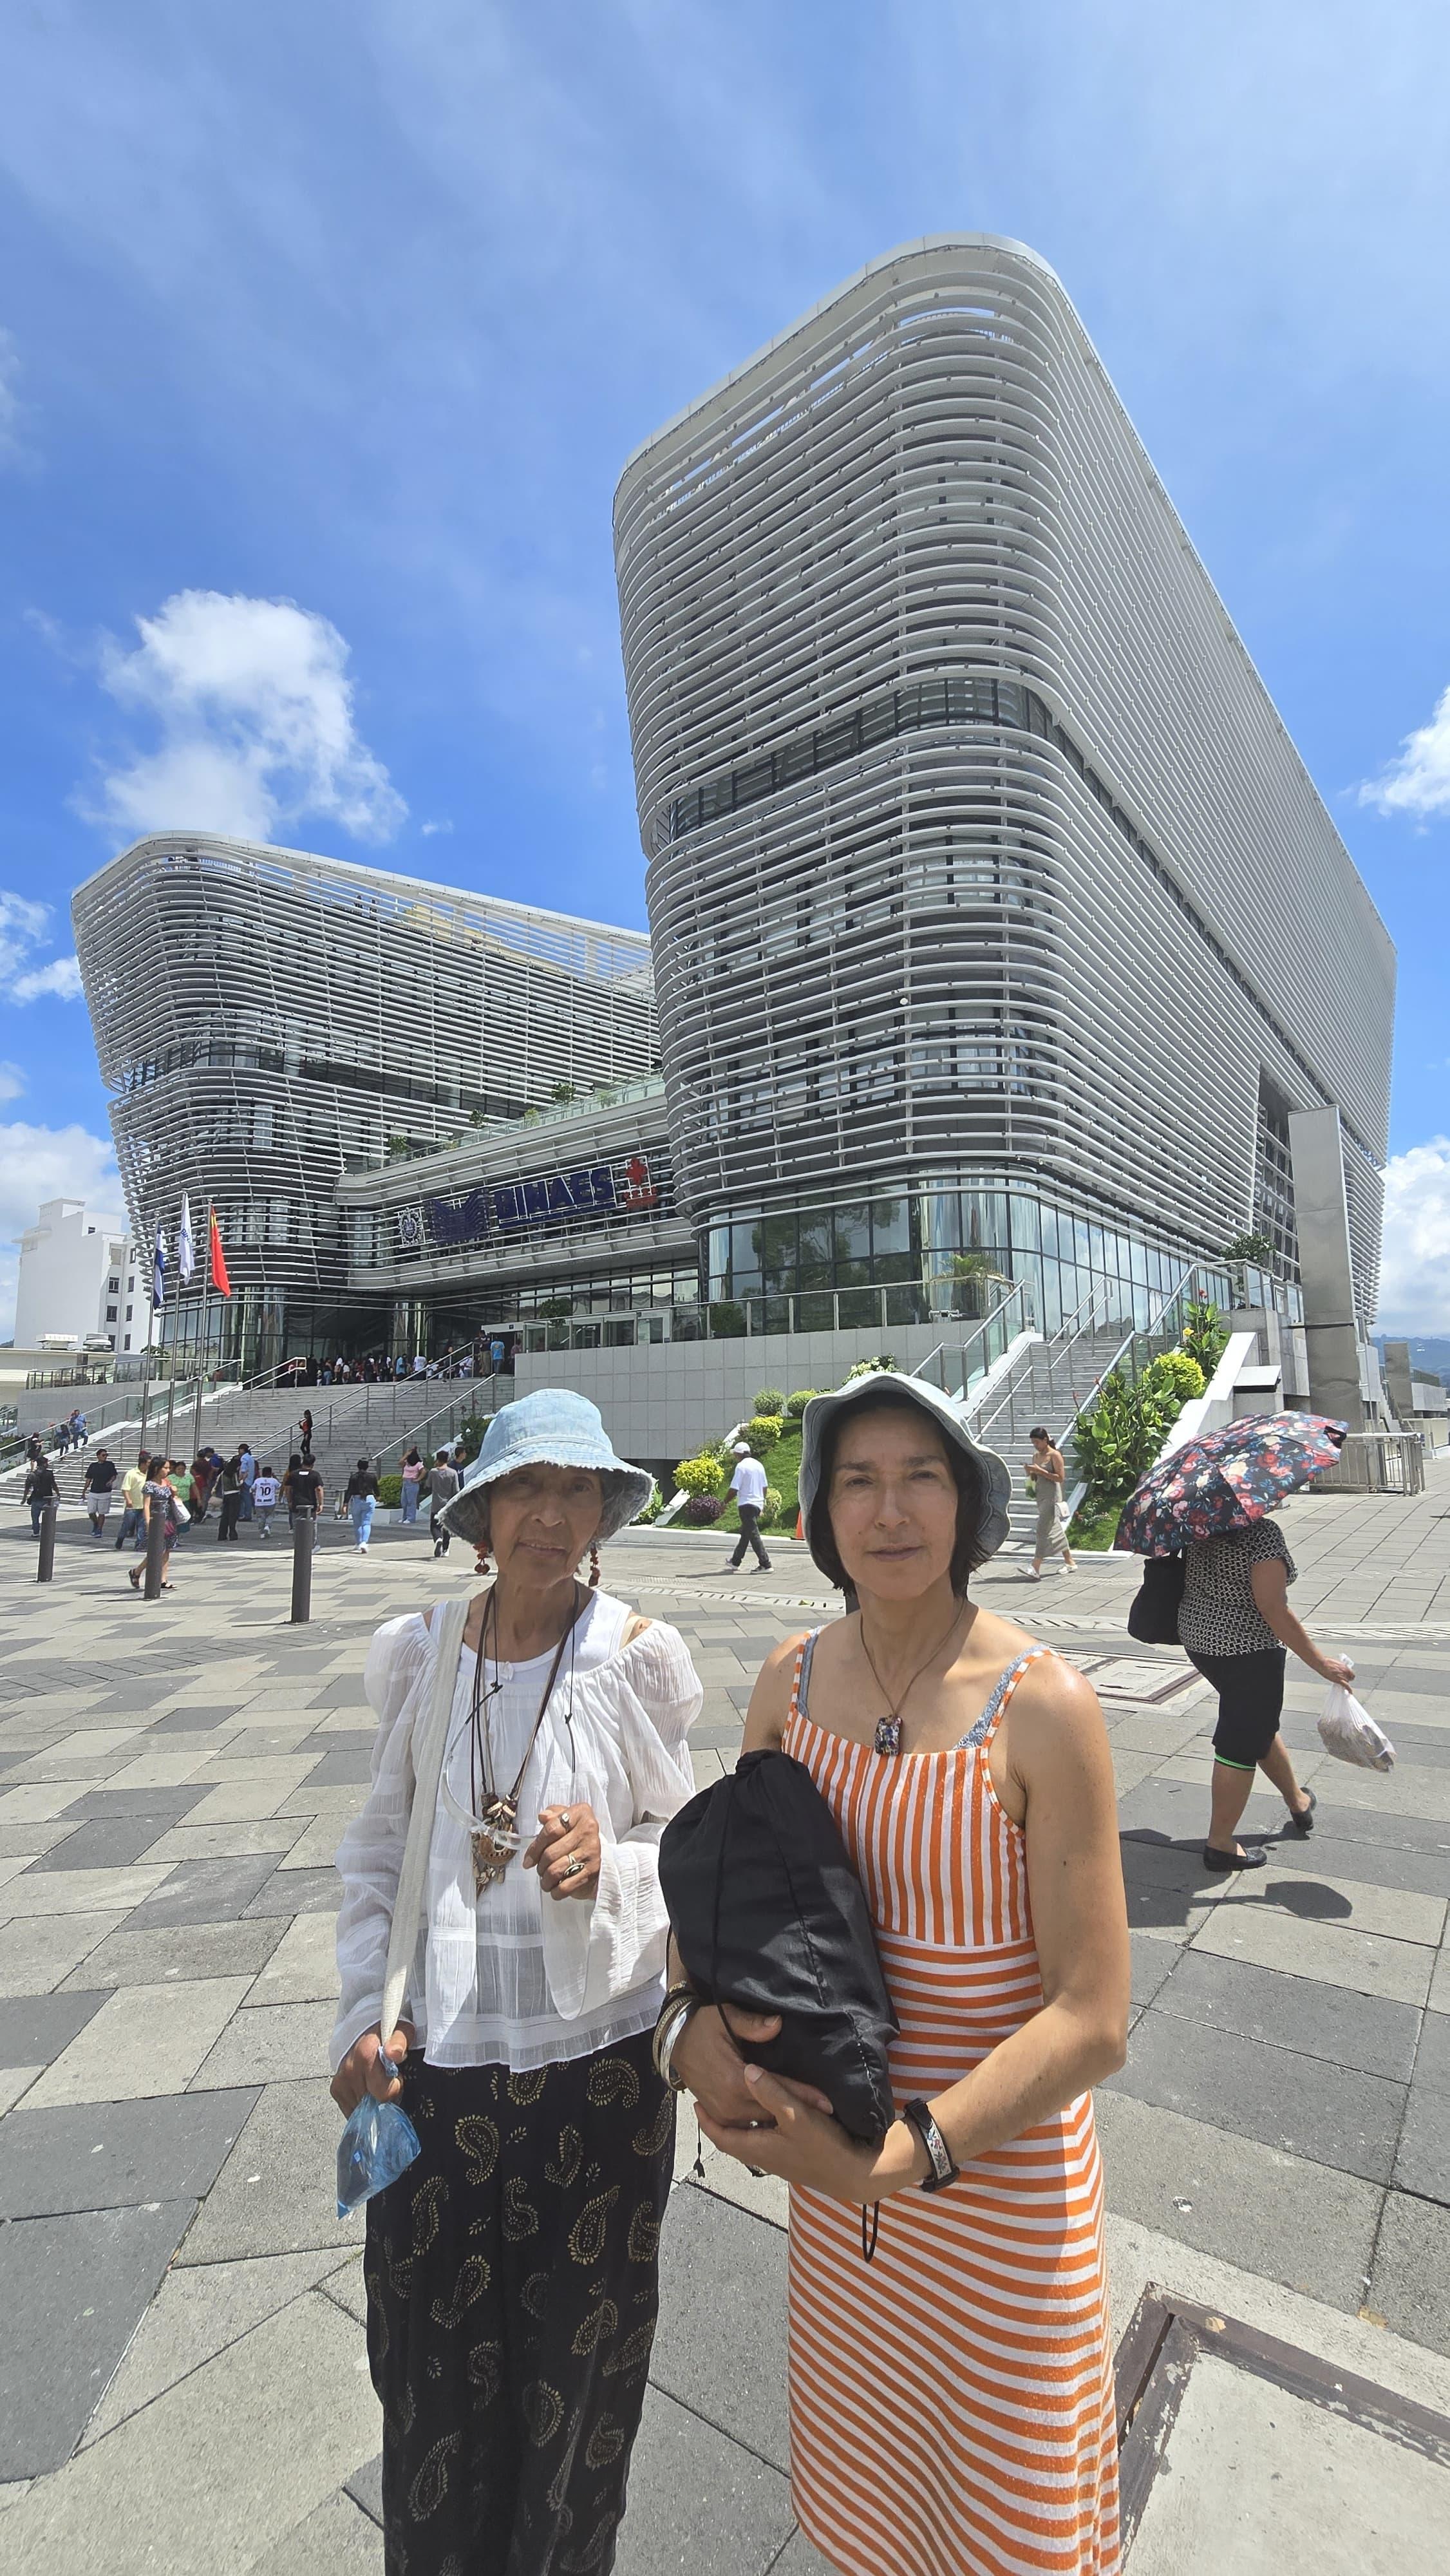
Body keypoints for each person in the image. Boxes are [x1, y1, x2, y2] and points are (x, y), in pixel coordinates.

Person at [670, 1374, 1129, 2576]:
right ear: (820, 1513)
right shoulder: (788, 1681)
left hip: (996, 2201)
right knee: (870, 2511)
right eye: (857, 1481)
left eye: (921, 1476)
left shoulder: (1045, 1707)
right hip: (840, 2201)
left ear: (968, 1503)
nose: (889, 1510)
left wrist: (906, 2155)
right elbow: (736, 1900)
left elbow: (1093, 2018)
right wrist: (693, 2028)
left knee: (1005, 2526)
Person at [330, 1389, 702, 2576]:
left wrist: (618, 1865)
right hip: (433, 2070)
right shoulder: (420, 1652)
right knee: (428, 2374)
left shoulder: (633, 1659)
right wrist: (356, 2016)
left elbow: (691, 1849)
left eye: (578, 1491)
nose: (553, 1516)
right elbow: (378, 1850)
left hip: (595, 2084)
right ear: (481, 1513)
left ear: (603, 1511)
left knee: (574, 2388)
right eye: (527, 1490)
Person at [1178, 1512, 1354, 1871]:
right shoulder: (1261, 1533)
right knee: (1239, 1741)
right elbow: (1272, 1606)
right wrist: (1321, 1663)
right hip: (1248, 1649)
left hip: (1200, 1639)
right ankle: (1221, 1845)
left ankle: (1297, 1801)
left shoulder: (1202, 1523)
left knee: (1255, 1723)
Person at [1025, 1423, 1076, 1577]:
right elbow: (1036, 1476)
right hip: (1041, 1495)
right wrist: (1031, 1472)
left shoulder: (1055, 1455)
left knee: (1042, 1530)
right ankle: (1070, 1562)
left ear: (1046, 1440)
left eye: (1037, 1442)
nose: (1036, 1445)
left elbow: (1060, 1478)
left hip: (1052, 1497)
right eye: (1033, 1442)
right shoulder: (1036, 1456)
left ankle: (1036, 1566)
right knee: (1056, 1529)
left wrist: (1040, 1471)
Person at [129, 1458, 182, 1591]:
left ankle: (163, 1580)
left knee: (167, 1549)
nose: (168, 1471)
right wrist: (148, 1522)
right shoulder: (149, 1485)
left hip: (170, 1520)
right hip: (157, 1521)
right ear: (157, 1469)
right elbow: (146, 1505)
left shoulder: (167, 1482)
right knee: (156, 1551)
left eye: (169, 1468)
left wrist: (174, 1492)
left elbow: (174, 1499)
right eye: (165, 1468)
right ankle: (137, 1571)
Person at [724, 1439, 771, 1571]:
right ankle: (735, 1561)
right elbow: (765, 1486)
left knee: (753, 1535)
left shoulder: (741, 1467)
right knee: (746, 1534)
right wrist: (762, 1503)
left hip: (746, 1505)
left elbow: (734, 1489)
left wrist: (724, 1503)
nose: (735, 1457)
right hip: (756, 1504)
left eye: (735, 1455)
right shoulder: (759, 1465)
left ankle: (765, 1564)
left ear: (738, 1455)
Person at [428, 1446, 460, 1557]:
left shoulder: (433, 1472)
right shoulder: (453, 1473)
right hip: (448, 1504)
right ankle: (446, 1549)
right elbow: (456, 1490)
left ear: (438, 1460)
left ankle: (438, 1539)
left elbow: (428, 1485)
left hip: (436, 1504)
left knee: (434, 1526)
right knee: (447, 1527)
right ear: (447, 1459)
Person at [115, 1452, 151, 1551]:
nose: (150, 1465)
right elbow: (125, 1489)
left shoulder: (149, 1474)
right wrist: (128, 1501)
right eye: (148, 1463)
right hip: (133, 1505)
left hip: (144, 1505)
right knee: (127, 1525)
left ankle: (139, 1544)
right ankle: (120, 1538)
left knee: (142, 1526)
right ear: (143, 1463)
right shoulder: (131, 1473)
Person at [82, 1446, 119, 1537]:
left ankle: (99, 1529)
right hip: (94, 1491)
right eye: (103, 1455)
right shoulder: (93, 1466)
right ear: (98, 1456)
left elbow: (114, 1475)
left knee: (102, 1513)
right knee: (91, 1511)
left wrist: (110, 1481)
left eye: (106, 1455)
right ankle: (96, 1523)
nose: (105, 1457)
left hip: (105, 1492)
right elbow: (89, 1479)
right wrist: (84, 1491)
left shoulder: (109, 1465)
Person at [345, 1456, 379, 1553]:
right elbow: (376, 1489)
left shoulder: (354, 1477)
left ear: (358, 1466)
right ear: (367, 1466)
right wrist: (379, 1497)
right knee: (366, 1522)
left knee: (357, 1524)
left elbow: (349, 1491)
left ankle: (358, 1543)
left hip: (357, 1499)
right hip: (369, 1498)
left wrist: (345, 1503)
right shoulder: (372, 1476)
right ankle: (364, 1542)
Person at [283, 1451, 324, 1528]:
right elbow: (319, 1489)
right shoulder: (315, 1475)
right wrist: (321, 1503)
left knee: (296, 1526)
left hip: (296, 1503)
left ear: (302, 1462)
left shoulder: (293, 1474)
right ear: (312, 1464)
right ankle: (311, 1540)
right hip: (310, 1503)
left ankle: (297, 1539)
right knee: (311, 1526)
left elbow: (288, 1489)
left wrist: (290, 1501)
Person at [24, 1453, 59, 1538]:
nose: (48, 1464)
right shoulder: (49, 1474)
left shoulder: (32, 1474)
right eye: (47, 1463)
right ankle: (47, 1532)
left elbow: (27, 1487)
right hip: (47, 1498)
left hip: (36, 1498)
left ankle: (36, 1532)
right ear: (44, 1464)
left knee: (35, 1518)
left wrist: (24, 1498)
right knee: (48, 1517)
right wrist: (58, 1493)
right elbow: (54, 1485)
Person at [215, 1454, 245, 1543]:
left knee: (225, 1516)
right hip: (234, 1495)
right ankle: (232, 1534)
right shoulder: (233, 1474)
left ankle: (222, 1535)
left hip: (226, 1495)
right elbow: (236, 1485)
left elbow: (218, 1484)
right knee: (233, 1516)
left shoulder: (223, 1473)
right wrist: (243, 1480)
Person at [251, 1464, 280, 1537]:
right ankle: (267, 1526)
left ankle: (262, 1532)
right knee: (270, 1515)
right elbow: (279, 1486)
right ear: (271, 1473)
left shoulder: (258, 1480)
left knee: (261, 1517)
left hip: (259, 1502)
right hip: (270, 1502)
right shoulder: (273, 1480)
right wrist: (275, 1477)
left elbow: (252, 1488)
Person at [399, 1447, 425, 1526]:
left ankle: (411, 1518)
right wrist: (406, 1455)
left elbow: (424, 1471)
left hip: (412, 1483)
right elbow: (400, 1463)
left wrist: (418, 1479)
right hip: (405, 1482)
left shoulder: (418, 1464)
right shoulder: (407, 1463)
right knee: (404, 1501)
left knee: (411, 1501)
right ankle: (404, 1517)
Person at [238, 1441, 256, 1521]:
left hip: (245, 1480)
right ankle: (243, 1513)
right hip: (250, 1480)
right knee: (246, 1498)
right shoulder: (251, 1458)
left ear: (243, 1450)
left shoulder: (244, 1458)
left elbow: (244, 1470)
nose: (239, 1451)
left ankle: (247, 1515)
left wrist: (241, 1479)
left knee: (245, 1498)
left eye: (240, 1450)